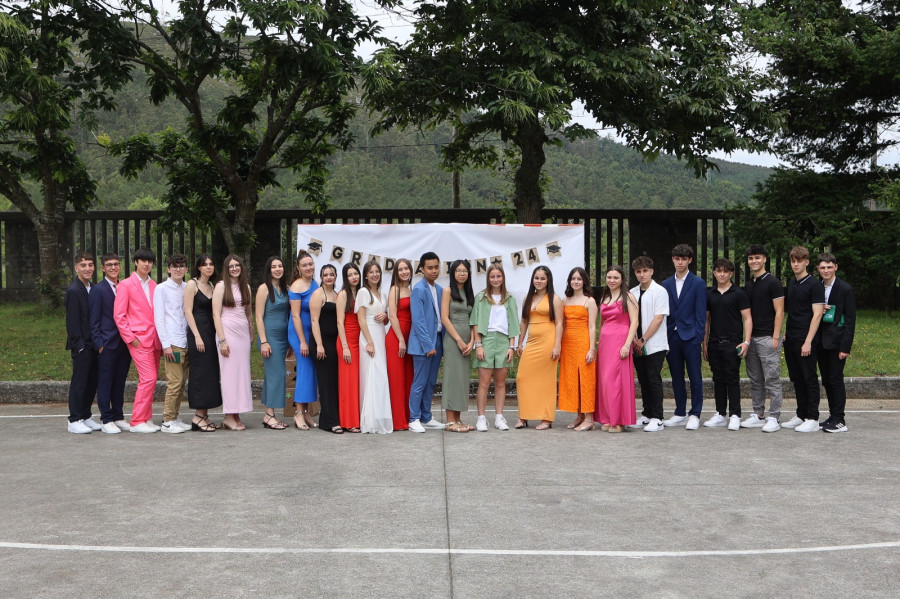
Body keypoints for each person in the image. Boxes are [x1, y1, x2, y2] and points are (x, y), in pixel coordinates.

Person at [114, 247, 162, 433]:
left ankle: (146, 418)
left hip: (155, 339)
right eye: (143, 260)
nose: (146, 264)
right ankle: (137, 420)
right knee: (148, 378)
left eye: (149, 261)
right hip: (138, 339)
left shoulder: (155, 285)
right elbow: (119, 315)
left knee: (152, 378)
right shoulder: (125, 285)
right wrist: (130, 338)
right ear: (135, 262)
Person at [702, 259, 752, 431]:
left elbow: (747, 318)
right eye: (718, 271)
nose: (721, 274)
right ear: (714, 273)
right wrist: (705, 343)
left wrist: (746, 341)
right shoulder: (710, 294)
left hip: (733, 343)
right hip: (714, 343)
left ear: (731, 273)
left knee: (732, 379)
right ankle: (720, 413)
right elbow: (706, 320)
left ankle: (735, 415)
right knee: (718, 380)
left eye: (725, 271)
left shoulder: (739, 293)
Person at [661, 244, 707, 430]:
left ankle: (695, 413)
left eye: (683, 259)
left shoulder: (698, 283)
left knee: (695, 376)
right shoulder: (666, 284)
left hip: (691, 337)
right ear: (672, 260)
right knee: (676, 376)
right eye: (677, 258)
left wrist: (699, 336)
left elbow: (701, 313)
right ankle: (680, 411)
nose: (680, 262)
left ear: (690, 260)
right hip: (672, 336)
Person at [740, 244, 785, 433]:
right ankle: (759, 414)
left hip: (768, 338)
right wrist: (747, 340)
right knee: (756, 380)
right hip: (752, 339)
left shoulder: (773, 283)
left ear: (765, 259)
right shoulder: (749, 284)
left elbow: (780, 311)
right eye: (751, 258)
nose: (754, 261)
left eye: (757, 257)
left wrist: (775, 337)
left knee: (772, 379)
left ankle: (774, 417)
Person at [470, 264, 519, 432]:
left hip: (504, 341)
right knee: (483, 383)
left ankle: (499, 417)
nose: (496, 279)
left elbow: (513, 323)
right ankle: (481, 418)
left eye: (498, 276)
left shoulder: (510, 298)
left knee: (500, 383)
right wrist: (479, 345)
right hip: (486, 339)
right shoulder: (481, 297)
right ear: (488, 278)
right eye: (492, 277)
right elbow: (475, 323)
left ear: (503, 278)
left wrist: (512, 346)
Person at [782, 246, 826, 433]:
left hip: (805, 338)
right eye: (793, 261)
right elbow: (792, 312)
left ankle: (812, 418)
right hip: (791, 337)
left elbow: (817, 315)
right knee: (797, 379)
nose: (796, 264)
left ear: (807, 262)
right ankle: (801, 414)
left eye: (800, 260)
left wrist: (808, 340)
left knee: (809, 378)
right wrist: (786, 333)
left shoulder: (815, 285)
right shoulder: (792, 283)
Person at [515, 265, 564, 430]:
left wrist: (557, 345)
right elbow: (524, 321)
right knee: (522, 377)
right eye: (536, 278)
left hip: (548, 341)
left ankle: (546, 418)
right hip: (532, 342)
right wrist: (519, 343)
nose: (539, 281)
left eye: (543, 278)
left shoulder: (555, 299)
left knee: (546, 380)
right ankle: (524, 416)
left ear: (548, 280)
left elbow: (559, 323)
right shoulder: (528, 298)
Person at [89, 253, 132, 434]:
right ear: (103, 268)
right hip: (107, 344)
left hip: (124, 343)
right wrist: (99, 343)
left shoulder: (124, 286)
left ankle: (118, 416)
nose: (113, 267)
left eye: (116, 264)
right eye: (109, 265)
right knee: (105, 382)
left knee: (120, 382)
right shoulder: (98, 290)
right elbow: (93, 319)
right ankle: (106, 418)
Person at [594, 266, 639, 433]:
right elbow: (601, 322)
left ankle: (618, 420)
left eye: (616, 278)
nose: (612, 280)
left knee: (616, 380)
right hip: (605, 343)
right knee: (605, 380)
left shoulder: (629, 297)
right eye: (609, 277)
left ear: (622, 280)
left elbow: (634, 322)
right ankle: (607, 417)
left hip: (620, 339)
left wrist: (627, 344)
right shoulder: (604, 297)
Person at [816, 253, 856, 433]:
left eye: (829, 267)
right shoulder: (817, 287)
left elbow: (850, 320)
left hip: (837, 342)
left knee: (835, 379)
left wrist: (845, 347)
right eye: (823, 267)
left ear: (836, 268)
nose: (826, 270)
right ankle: (832, 415)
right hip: (820, 342)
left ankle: (840, 419)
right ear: (818, 269)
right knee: (826, 380)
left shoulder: (845, 289)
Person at [628, 256, 669, 432]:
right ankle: (646, 414)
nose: (642, 275)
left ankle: (658, 418)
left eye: (645, 271)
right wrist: (635, 341)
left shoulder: (660, 291)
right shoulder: (632, 293)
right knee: (643, 380)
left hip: (654, 344)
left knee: (653, 379)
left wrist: (643, 338)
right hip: (637, 344)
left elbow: (658, 318)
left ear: (651, 271)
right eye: (638, 272)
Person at [213, 254, 254, 431]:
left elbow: (249, 313)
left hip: (243, 335)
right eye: (231, 266)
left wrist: (251, 334)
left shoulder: (247, 287)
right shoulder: (221, 287)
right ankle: (229, 416)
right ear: (226, 269)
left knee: (241, 376)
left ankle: (237, 414)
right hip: (227, 333)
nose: (235, 268)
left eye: (237, 265)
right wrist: (222, 340)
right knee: (229, 375)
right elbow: (216, 314)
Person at [407, 252, 447, 432]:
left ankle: (426, 416)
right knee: (420, 382)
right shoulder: (418, 289)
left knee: (431, 382)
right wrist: (428, 346)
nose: (434, 271)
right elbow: (419, 321)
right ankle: (414, 418)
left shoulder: (439, 289)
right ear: (422, 269)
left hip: (437, 340)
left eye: (436, 267)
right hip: (423, 345)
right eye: (430, 267)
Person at [153, 253, 191, 434]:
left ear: (186, 269)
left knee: (182, 382)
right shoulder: (161, 289)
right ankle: (167, 420)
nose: (178, 269)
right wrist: (165, 344)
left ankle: (175, 416)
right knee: (174, 382)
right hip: (173, 342)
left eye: (181, 266)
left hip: (186, 340)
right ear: (168, 269)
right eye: (174, 266)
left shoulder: (187, 287)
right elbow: (159, 318)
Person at [184, 253, 222, 432]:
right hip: (197, 334)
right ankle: (197, 416)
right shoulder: (192, 284)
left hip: (210, 333)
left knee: (209, 374)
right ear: (198, 267)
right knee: (199, 374)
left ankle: (204, 415)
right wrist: (197, 336)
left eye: (211, 264)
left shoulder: (213, 286)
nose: (208, 267)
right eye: (204, 264)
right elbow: (188, 312)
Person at [65, 251, 100, 434]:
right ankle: (74, 419)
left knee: (91, 382)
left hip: (94, 344)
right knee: (79, 382)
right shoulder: (74, 290)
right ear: (76, 268)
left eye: (90, 265)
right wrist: (78, 346)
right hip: (82, 346)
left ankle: (86, 415)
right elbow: (72, 323)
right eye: (83, 265)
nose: (88, 269)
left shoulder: (92, 288)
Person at [356, 260, 392, 434]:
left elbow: (385, 318)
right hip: (368, 336)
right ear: (366, 275)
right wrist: (369, 342)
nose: (375, 274)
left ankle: (380, 416)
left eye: (377, 271)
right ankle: (369, 420)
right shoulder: (363, 292)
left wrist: (385, 315)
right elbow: (361, 319)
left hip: (380, 335)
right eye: (371, 272)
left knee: (381, 377)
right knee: (371, 375)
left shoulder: (382, 293)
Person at [254, 255, 290, 430]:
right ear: (269, 270)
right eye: (274, 266)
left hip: (284, 338)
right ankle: (270, 415)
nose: (277, 269)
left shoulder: (286, 288)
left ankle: (268, 414)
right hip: (270, 338)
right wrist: (264, 341)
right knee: (278, 375)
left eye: (280, 266)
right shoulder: (263, 288)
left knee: (272, 376)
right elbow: (259, 317)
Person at [560, 267, 598, 431]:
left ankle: (589, 418)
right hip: (568, 344)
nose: (576, 282)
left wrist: (591, 349)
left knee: (585, 378)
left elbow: (592, 327)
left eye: (579, 279)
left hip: (583, 342)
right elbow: (561, 324)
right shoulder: (564, 300)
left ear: (584, 281)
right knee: (572, 379)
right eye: (573, 279)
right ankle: (579, 415)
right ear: (569, 281)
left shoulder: (589, 301)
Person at [441, 259, 476, 432]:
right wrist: (459, 340)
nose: (462, 273)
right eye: (458, 270)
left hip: (467, 341)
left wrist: (471, 341)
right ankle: (449, 421)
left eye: (465, 271)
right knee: (452, 377)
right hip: (453, 340)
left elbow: (473, 320)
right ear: (453, 273)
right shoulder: (448, 291)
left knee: (462, 380)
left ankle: (458, 418)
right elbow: (444, 318)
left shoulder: (470, 293)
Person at [288, 250, 319, 429]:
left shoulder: (314, 283)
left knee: (311, 372)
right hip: (299, 333)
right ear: (299, 268)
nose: (308, 267)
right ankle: (298, 413)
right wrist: (303, 342)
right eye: (304, 265)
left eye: (310, 264)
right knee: (305, 371)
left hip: (311, 333)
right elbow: (295, 316)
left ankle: (306, 412)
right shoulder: (297, 286)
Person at [310, 264, 342, 434]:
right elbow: (314, 321)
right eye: (325, 275)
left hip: (334, 342)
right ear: (321, 277)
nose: (328, 277)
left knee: (334, 382)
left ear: (336, 276)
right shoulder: (318, 294)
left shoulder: (337, 295)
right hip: (321, 344)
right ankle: (331, 422)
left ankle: (330, 419)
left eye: (331, 274)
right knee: (326, 383)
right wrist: (319, 345)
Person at [385, 258, 414, 431]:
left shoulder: (410, 290)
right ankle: (397, 421)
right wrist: (401, 340)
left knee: (408, 379)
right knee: (396, 381)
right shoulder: (394, 290)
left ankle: (408, 417)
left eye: (406, 269)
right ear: (396, 273)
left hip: (410, 338)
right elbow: (393, 316)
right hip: (397, 338)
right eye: (400, 269)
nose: (404, 272)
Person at [336, 263, 362, 433]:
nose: (354, 277)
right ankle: (348, 421)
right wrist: (345, 347)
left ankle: (357, 418)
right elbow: (339, 322)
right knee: (348, 383)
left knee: (357, 382)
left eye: (356, 273)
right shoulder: (343, 294)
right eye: (350, 274)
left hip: (359, 341)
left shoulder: (361, 292)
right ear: (345, 277)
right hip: (346, 342)